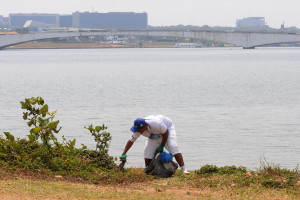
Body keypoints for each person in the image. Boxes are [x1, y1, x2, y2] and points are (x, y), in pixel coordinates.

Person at [120, 115, 189, 174]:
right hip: (154, 134)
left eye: (139, 129)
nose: (137, 131)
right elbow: (131, 141)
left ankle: (184, 169)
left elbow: (165, 132)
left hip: (167, 129)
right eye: (137, 129)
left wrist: (162, 145)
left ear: (144, 126)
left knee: (172, 146)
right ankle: (150, 170)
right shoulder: (138, 130)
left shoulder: (156, 123)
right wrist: (124, 153)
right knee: (147, 152)